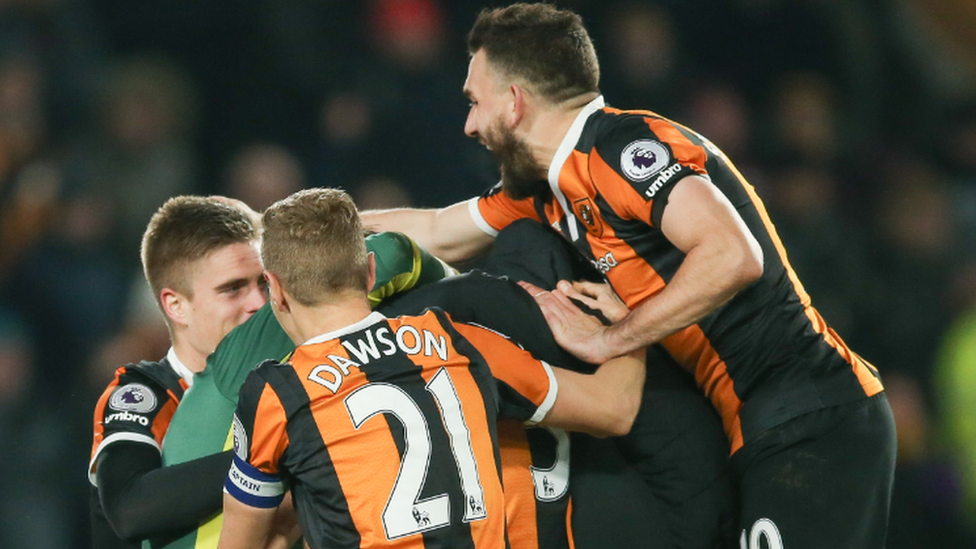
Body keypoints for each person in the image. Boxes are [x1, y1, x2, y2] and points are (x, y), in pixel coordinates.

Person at [361, 3, 897, 548]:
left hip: (811, 413)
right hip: (759, 426)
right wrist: (288, 227)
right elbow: (436, 228)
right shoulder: (549, 188)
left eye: (475, 102)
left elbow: (733, 255)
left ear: (515, 101)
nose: (471, 123)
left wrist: (613, 337)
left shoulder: (622, 147)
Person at [217, 188, 646, 549]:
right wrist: (630, 323)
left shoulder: (276, 393)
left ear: (275, 290)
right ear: (369, 271)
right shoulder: (460, 341)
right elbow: (616, 408)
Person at [89, 196, 268, 549]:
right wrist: (273, 457)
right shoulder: (147, 394)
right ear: (176, 306)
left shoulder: (289, 378)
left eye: (262, 283)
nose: (258, 303)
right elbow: (130, 508)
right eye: (233, 289)